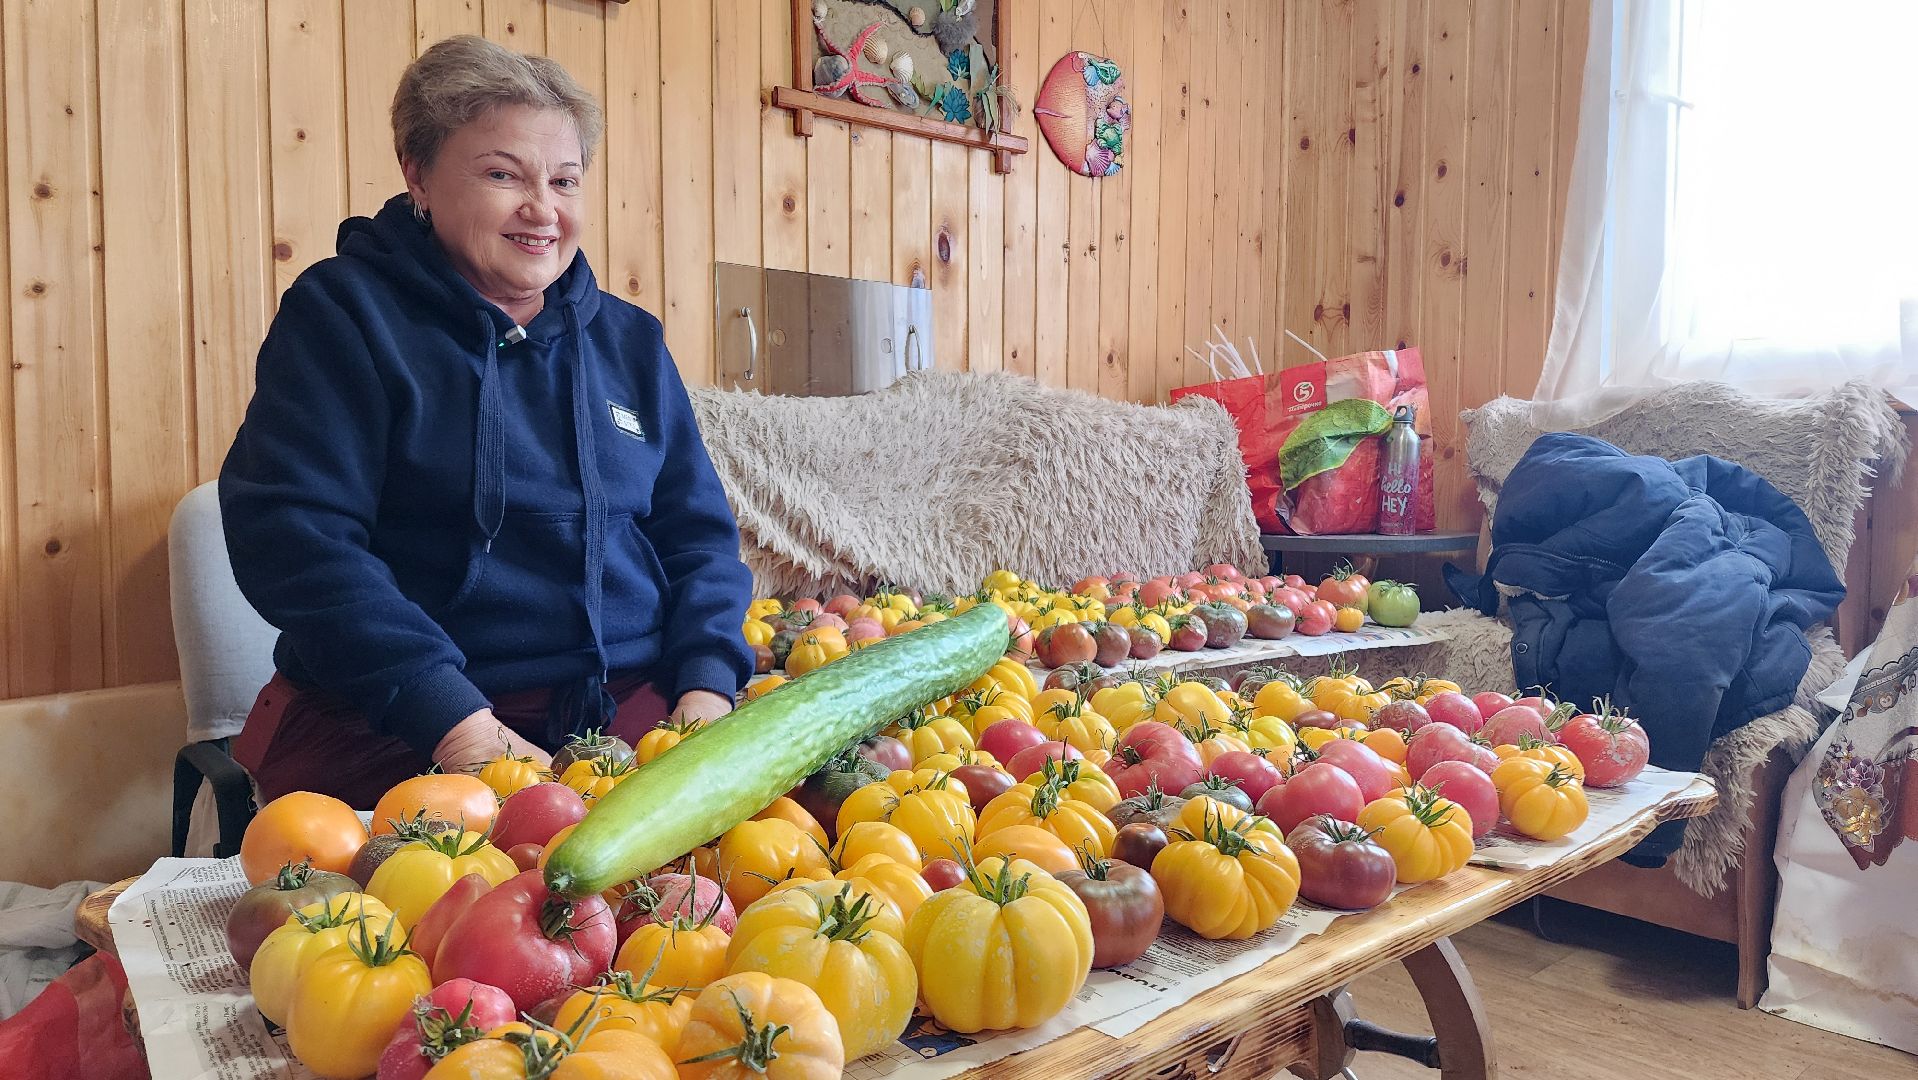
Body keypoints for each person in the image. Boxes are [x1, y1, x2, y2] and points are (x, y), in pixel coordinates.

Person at [221, 36, 753, 808]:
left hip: (632, 711)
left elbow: (697, 535)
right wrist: (455, 721)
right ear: (419, 176)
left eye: (564, 180)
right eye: (503, 174)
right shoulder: (344, 314)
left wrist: (707, 683)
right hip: (405, 718)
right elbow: (293, 536)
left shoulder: (630, 340)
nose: (543, 209)